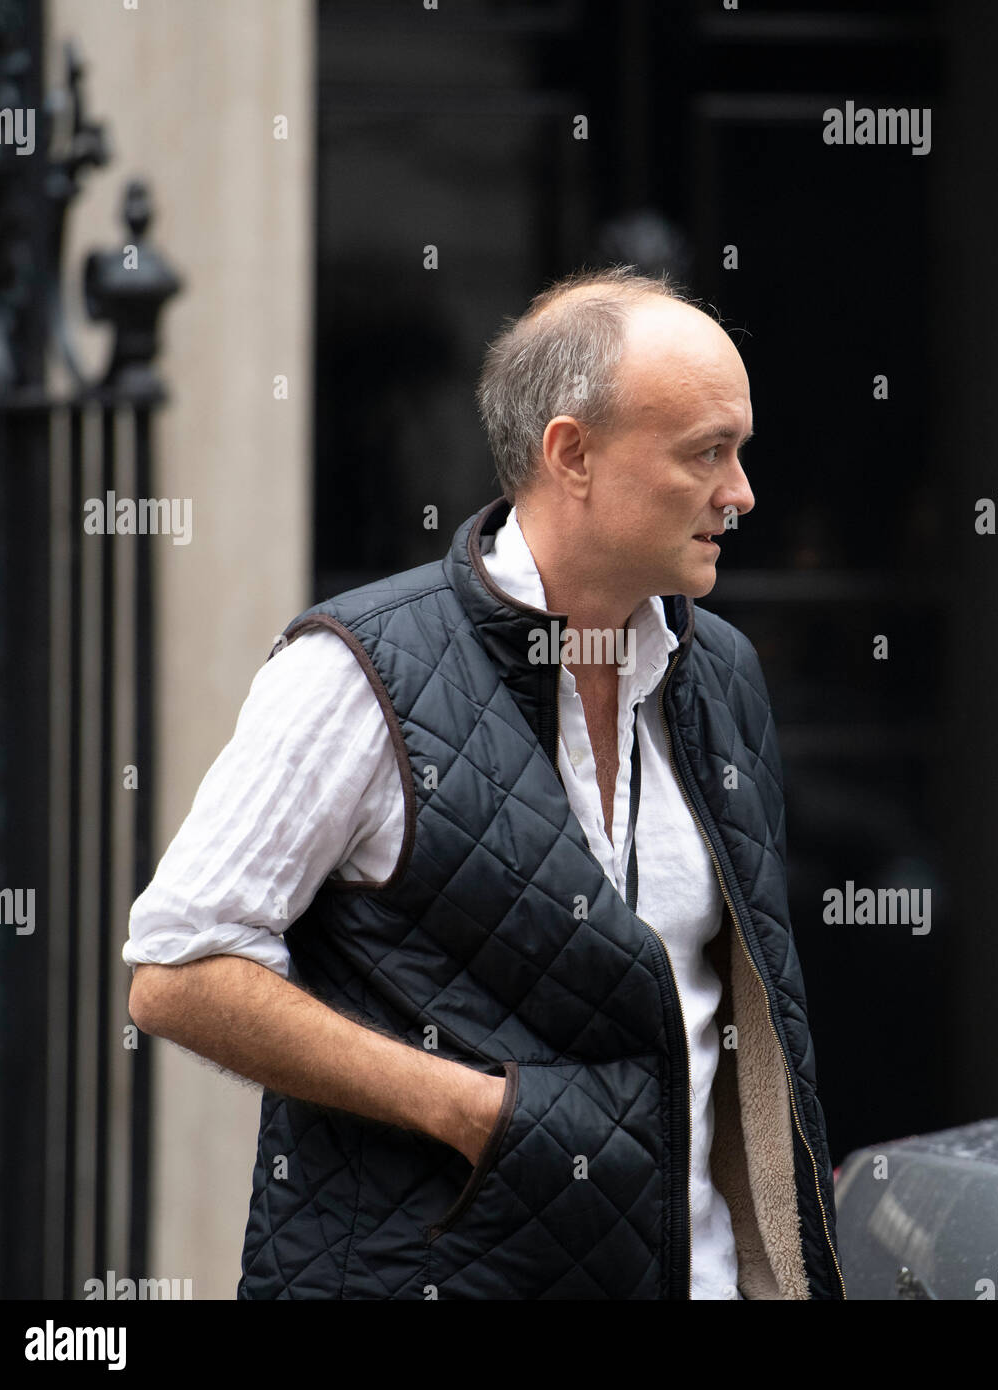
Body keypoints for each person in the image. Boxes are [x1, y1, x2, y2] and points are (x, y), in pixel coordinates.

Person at [124, 264, 845, 1301]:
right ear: (572, 453)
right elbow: (177, 969)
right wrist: (467, 1111)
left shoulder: (718, 666)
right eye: (706, 453)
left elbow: (735, 1015)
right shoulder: (359, 669)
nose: (741, 493)